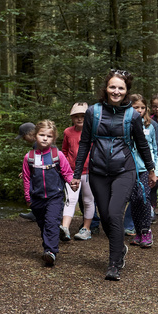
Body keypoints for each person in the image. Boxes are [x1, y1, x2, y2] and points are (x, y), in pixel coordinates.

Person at [71, 69, 156, 281]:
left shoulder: (132, 116)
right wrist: (75, 173)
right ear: (106, 88)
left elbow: (142, 145)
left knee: (115, 213)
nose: (116, 91)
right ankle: (120, 248)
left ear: (126, 91)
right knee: (106, 216)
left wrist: (151, 168)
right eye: (112, 87)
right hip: (98, 171)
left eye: (121, 88)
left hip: (124, 170)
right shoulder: (93, 112)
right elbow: (84, 144)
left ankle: (114, 263)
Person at [22, 120, 75, 266]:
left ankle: (50, 251)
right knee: (43, 224)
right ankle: (48, 247)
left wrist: (72, 182)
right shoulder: (29, 157)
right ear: (35, 136)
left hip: (55, 196)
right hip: (37, 198)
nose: (45, 138)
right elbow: (26, 178)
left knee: (52, 223)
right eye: (41, 135)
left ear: (53, 138)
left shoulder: (57, 155)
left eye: (49, 136)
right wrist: (28, 197)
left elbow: (67, 172)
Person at [123, 94, 158, 248]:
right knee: (134, 199)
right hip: (129, 168)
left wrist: (156, 172)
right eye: (135, 108)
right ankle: (138, 231)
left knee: (143, 198)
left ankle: (146, 231)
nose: (139, 110)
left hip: (146, 169)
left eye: (142, 107)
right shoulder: (125, 124)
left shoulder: (151, 125)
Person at [59, 103, 95, 241]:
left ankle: (86, 228)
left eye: (83, 116)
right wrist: (65, 167)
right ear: (72, 118)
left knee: (88, 200)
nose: (80, 119)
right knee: (70, 199)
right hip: (72, 172)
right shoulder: (68, 132)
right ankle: (65, 228)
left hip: (89, 172)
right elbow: (65, 151)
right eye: (76, 117)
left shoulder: (93, 131)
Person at [16, 122, 38, 222]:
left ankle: (36, 213)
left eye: (24, 137)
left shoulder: (39, 144)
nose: (24, 140)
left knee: (36, 191)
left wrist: (29, 172)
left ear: (30, 133)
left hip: (44, 174)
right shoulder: (37, 144)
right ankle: (35, 213)